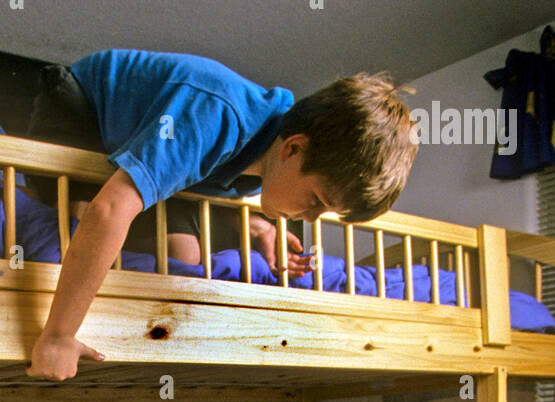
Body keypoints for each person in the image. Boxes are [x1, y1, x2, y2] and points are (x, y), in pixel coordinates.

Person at [24, 50, 417, 382]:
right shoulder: (213, 117)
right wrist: (59, 335)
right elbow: (109, 209)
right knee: (78, 218)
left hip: (147, 145)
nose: (311, 219)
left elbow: (210, 177)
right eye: (316, 200)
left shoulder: (268, 147)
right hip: (81, 108)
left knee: (185, 258)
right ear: (293, 149)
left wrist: (259, 226)